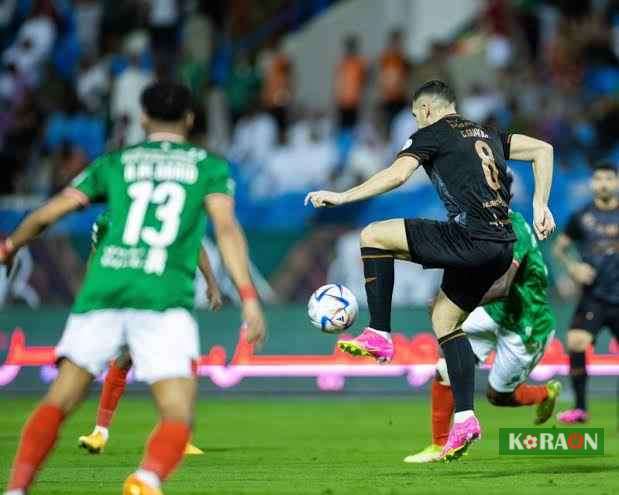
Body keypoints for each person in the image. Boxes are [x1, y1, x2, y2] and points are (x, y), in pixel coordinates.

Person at [0, 81, 266, 495]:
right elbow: (226, 229)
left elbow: (54, 209)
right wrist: (248, 299)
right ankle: (147, 478)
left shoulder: (115, 162)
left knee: (60, 399)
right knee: (178, 413)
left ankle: (16, 489)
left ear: (143, 118)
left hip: (105, 289)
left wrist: (11, 245)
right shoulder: (207, 166)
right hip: (162, 294)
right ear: (190, 120)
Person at [305, 80, 555, 461]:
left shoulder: (431, 134)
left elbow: (396, 175)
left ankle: (379, 333)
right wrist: (541, 205)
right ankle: (466, 418)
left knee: (373, 235)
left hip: (470, 237)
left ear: (424, 111)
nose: (416, 121)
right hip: (500, 246)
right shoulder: (485, 133)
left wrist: (341, 197)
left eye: (415, 116)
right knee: (444, 320)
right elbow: (543, 149)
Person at [404, 210, 560, 463]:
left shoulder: (512, 227)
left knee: (498, 396)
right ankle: (439, 444)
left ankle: (546, 393)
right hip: (492, 312)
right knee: (445, 364)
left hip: (527, 322)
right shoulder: (475, 222)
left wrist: (447, 302)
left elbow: (503, 286)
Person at [77, 210, 223, 456]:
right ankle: (100, 432)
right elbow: (95, 256)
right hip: (127, 293)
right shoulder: (107, 219)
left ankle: (178, 435)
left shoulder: (169, 209)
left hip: (166, 291)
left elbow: (195, 245)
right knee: (127, 357)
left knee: (180, 359)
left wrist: (211, 283)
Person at [553, 162, 618, 424]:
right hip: (594, 297)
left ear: (615, 183)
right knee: (576, 341)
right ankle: (580, 408)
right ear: (592, 183)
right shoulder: (580, 216)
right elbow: (560, 248)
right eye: (598, 179)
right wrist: (573, 268)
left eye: (608, 179)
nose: (603, 183)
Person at [334, 34, 366, 131]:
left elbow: (363, 83)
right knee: (342, 127)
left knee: (353, 128)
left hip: (355, 102)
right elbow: (338, 83)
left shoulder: (359, 64)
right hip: (342, 102)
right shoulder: (342, 64)